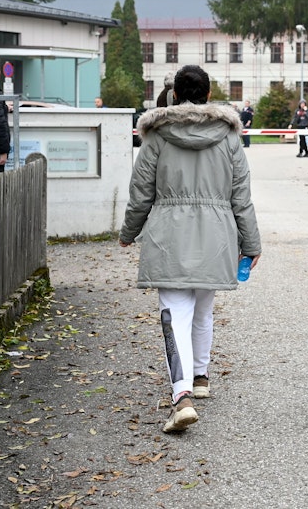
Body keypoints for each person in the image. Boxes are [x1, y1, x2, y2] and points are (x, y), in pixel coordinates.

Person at [118, 64, 262, 434]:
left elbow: (141, 194)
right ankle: (200, 376)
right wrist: (251, 242)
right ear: (209, 95)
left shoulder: (157, 136)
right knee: (203, 309)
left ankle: (181, 396)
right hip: (216, 235)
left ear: (175, 95)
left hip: (169, 237)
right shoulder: (229, 137)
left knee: (174, 315)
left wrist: (128, 232)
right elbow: (241, 197)